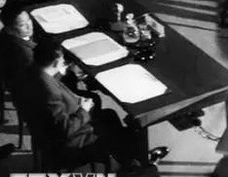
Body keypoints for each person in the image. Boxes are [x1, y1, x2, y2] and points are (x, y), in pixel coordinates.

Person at [20, 40, 169, 167]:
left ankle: (128, 158)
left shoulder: (36, 74)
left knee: (109, 115)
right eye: (62, 61)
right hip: (73, 144)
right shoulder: (48, 91)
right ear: (55, 62)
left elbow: (58, 93)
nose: (64, 63)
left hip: (57, 131)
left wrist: (75, 96)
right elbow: (64, 130)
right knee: (133, 127)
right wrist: (83, 110)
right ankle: (140, 162)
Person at [0, 5, 37, 97]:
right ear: (10, 29)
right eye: (22, 25)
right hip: (30, 86)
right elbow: (42, 75)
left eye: (29, 20)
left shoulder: (5, 33)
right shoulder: (24, 52)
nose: (29, 25)